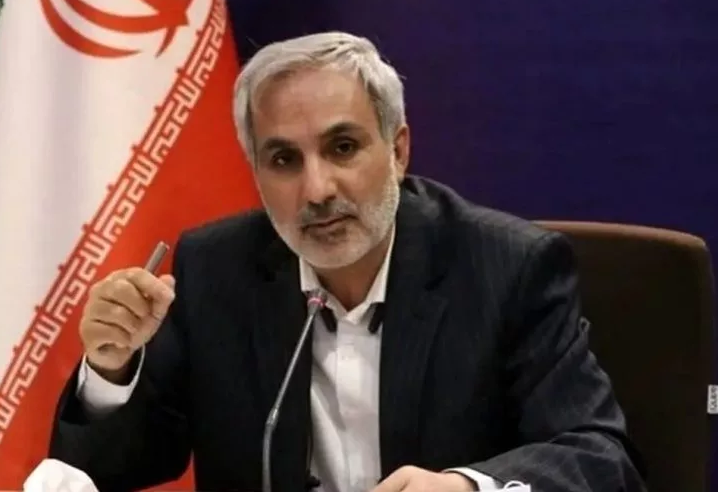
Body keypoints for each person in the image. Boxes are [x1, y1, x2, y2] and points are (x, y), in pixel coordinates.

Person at [48, 31, 647, 492]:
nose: (317, 190)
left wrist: (468, 487)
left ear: (398, 150)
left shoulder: (506, 268)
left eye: (342, 147)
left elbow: (599, 457)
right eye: (284, 160)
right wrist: (111, 370)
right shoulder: (214, 270)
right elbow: (111, 471)